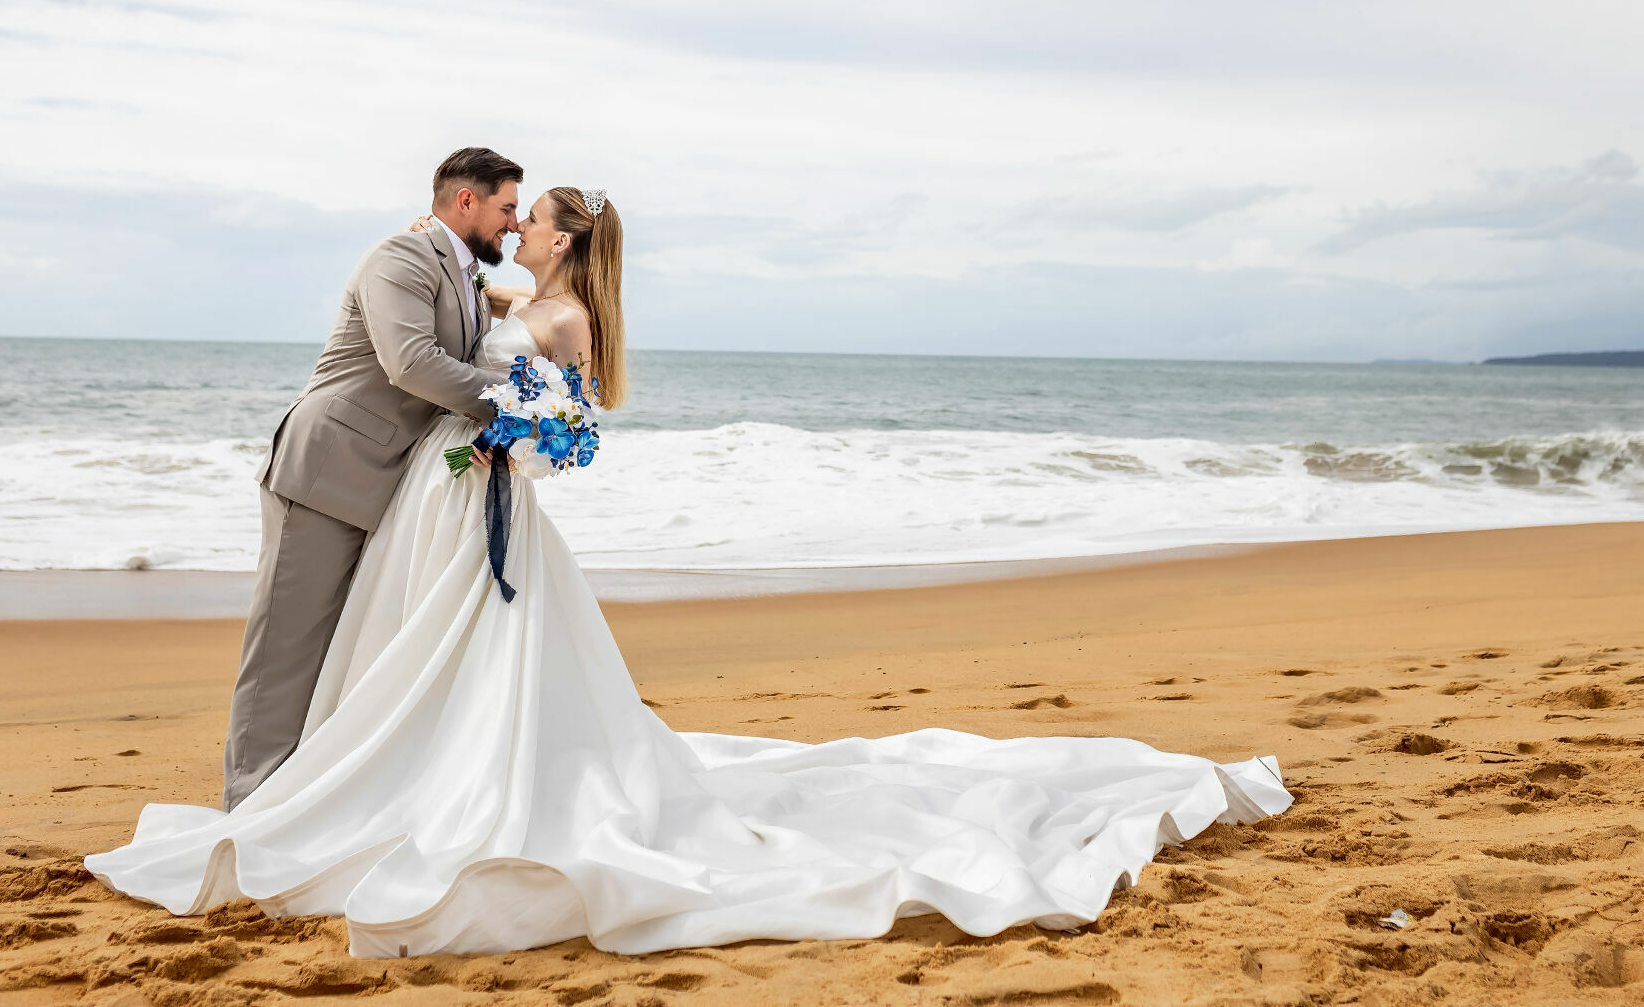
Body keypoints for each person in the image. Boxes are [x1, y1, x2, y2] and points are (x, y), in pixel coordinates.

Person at [88, 185, 1289, 957]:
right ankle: (346, 777)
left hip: (473, 491)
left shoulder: (555, 315)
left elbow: (548, 399)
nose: (515, 227)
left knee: (464, 659)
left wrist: (513, 428)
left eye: (531, 216)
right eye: (508, 212)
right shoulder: (520, 289)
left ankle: (390, 792)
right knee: (407, 649)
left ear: (558, 233)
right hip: (441, 494)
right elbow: (468, 304)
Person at [221, 147, 523, 811]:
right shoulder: (401, 258)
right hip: (328, 468)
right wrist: (518, 405)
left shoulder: (465, 275)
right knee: (286, 648)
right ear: (465, 200)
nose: (514, 222)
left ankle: (300, 795)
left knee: (338, 649)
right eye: (506, 207)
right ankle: (246, 808)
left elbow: (518, 311)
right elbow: (411, 362)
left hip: (384, 484)